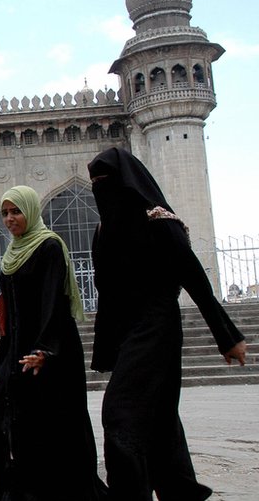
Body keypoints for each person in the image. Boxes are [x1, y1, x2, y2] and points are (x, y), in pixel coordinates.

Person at [88, 147, 247, 500]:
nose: (100, 188)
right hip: (128, 332)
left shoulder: (158, 221)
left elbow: (196, 281)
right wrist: (107, 350)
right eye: (94, 182)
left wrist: (227, 336)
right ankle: (181, 490)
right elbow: (107, 295)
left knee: (120, 414)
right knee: (158, 418)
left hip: (158, 328)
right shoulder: (103, 232)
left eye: (105, 180)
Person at [0, 186, 107, 500]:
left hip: (49, 352)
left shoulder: (49, 246)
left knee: (47, 430)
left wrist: (44, 351)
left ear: (31, 211)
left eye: (16, 211)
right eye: (5, 213)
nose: (10, 219)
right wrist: (2, 357)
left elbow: (55, 302)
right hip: (17, 352)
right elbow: (8, 313)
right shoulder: (12, 254)